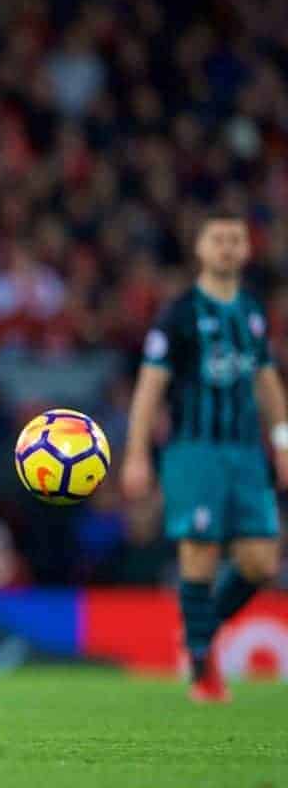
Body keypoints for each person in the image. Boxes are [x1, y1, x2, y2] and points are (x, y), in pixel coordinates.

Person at [122, 211, 286, 702]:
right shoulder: (179, 314)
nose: (229, 248)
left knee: (260, 560)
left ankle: (198, 630)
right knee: (199, 555)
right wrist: (135, 454)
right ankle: (203, 671)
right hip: (194, 451)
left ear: (247, 249)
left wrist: (282, 441)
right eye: (219, 239)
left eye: (236, 239)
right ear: (200, 249)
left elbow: (267, 383)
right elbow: (150, 387)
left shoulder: (253, 313)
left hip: (245, 452)